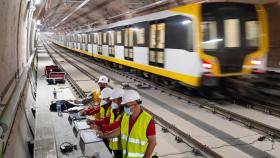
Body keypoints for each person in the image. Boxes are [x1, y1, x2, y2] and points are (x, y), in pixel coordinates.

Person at [99, 90, 156, 158]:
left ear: (137, 103)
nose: (125, 108)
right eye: (124, 106)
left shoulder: (148, 120)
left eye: (127, 106)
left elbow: (153, 142)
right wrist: (103, 136)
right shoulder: (126, 116)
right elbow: (120, 130)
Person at [93, 88, 125, 158]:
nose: (112, 102)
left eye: (114, 100)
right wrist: (95, 122)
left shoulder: (124, 113)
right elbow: (107, 119)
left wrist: (100, 128)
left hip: (121, 146)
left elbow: (115, 126)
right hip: (113, 142)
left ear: (121, 100)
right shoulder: (115, 110)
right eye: (112, 100)